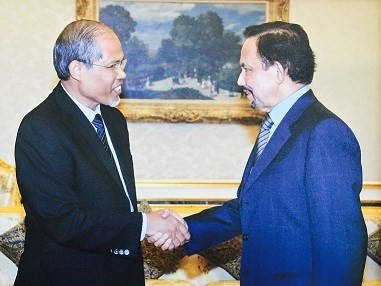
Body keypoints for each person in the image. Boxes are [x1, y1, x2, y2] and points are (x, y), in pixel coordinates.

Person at [151, 21, 368, 285]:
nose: (240, 80)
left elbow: (339, 245)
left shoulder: (324, 133)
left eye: (246, 69)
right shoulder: (277, 125)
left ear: (277, 71)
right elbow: (249, 209)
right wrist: (186, 230)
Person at [14, 19, 190, 286]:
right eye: (112, 66)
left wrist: (153, 225)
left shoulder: (114, 120)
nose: (122, 74)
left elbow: (117, 202)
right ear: (77, 69)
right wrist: (144, 225)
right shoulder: (40, 127)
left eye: (122, 63)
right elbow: (63, 221)